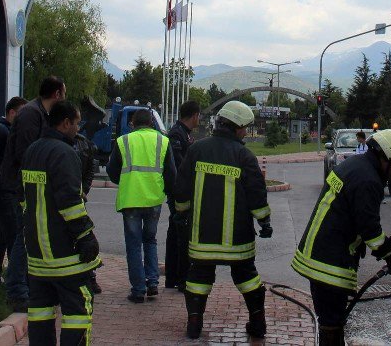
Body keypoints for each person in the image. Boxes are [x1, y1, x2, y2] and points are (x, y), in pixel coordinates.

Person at [291, 128, 391, 345]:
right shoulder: (368, 181)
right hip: (329, 263)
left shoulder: (352, 166)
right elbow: (370, 230)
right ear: (384, 157)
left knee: (330, 318)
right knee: (332, 321)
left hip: (317, 252)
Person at [174, 101, 272, 340]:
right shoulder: (244, 156)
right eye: (245, 128)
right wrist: (264, 222)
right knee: (247, 277)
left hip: (202, 236)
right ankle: (258, 323)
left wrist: (182, 213)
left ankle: (194, 325)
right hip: (237, 240)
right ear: (238, 127)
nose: (245, 133)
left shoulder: (197, 150)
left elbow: (182, 187)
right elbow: (256, 194)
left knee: (198, 277)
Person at [22, 100, 101, 346]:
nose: (78, 129)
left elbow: (24, 200)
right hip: (65, 255)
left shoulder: (32, 150)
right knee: (78, 312)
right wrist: (86, 236)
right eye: (76, 123)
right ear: (65, 123)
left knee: (40, 313)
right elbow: (70, 202)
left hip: (37, 255)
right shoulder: (65, 153)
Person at [0, 76, 67, 312]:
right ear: (57, 94)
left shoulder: (39, 113)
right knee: (24, 237)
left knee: (27, 236)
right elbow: (26, 153)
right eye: (64, 92)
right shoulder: (31, 114)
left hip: (28, 185)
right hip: (21, 186)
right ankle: (17, 290)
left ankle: (25, 285)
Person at [107, 108, 177, 303]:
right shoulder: (163, 141)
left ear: (133, 124)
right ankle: (153, 283)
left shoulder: (124, 141)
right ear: (152, 123)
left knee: (133, 244)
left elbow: (112, 172)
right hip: (154, 199)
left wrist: (128, 180)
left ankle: (138, 290)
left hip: (131, 199)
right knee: (151, 240)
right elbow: (171, 175)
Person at [0, 96, 28, 286]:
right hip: (2, 193)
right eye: (22, 114)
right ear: (12, 112)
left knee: (1, 236)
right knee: (14, 237)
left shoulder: (8, 130)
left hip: (9, 191)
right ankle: (16, 283)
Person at [165, 100, 200, 289]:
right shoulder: (176, 135)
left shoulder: (185, 134)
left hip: (183, 191)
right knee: (179, 236)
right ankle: (178, 279)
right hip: (178, 192)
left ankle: (175, 278)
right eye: (198, 116)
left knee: (177, 233)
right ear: (194, 115)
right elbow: (179, 166)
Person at [73, 130, 101, 294]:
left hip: (79, 198)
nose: (78, 127)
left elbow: (90, 168)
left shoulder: (83, 143)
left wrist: (85, 189)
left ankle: (90, 277)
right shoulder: (60, 146)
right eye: (76, 122)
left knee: (85, 237)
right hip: (67, 198)